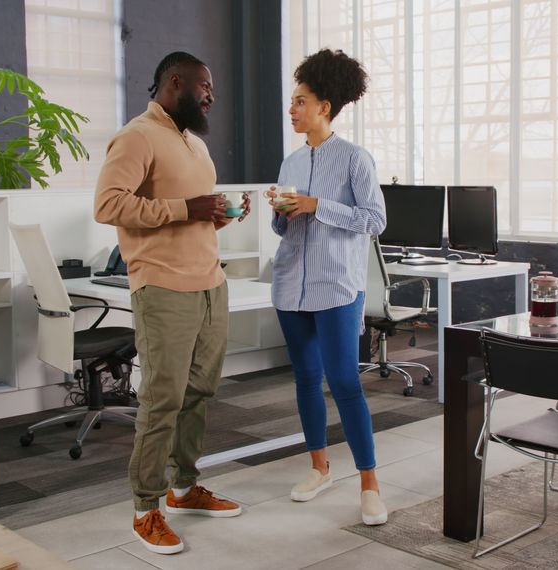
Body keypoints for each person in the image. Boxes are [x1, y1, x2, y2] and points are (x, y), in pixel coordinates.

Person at [94, 51, 250, 555]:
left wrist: (221, 214)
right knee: (162, 400)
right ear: (175, 82)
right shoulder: (137, 135)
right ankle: (146, 508)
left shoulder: (194, 144)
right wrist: (188, 208)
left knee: (200, 393)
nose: (211, 96)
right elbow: (108, 204)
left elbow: (192, 215)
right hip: (162, 287)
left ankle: (182, 489)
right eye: (205, 86)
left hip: (210, 284)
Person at [265, 48, 388, 525]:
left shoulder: (356, 159)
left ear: (324, 106)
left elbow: (375, 220)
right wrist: (281, 214)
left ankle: (370, 483)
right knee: (303, 379)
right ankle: (319, 468)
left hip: (337, 285)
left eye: (300, 101)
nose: (292, 109)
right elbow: (284, 230)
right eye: (292, 101)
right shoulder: (290, 163)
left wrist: (319, 205)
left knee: (344, 382)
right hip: (290, 284)